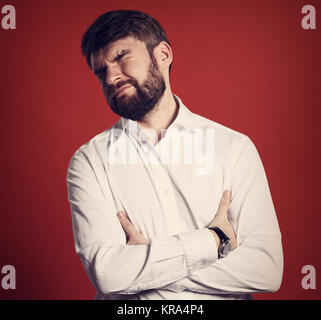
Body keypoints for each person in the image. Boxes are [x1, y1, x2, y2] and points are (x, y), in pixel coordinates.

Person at [66, 10, 283, 300]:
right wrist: (212, 241)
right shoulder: (89, 161)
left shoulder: (234, 148)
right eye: (101, 71)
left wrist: (146, 270)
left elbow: (266, 269)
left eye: (121, 57)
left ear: (163, 55)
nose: (112, 77)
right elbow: (108, 274)